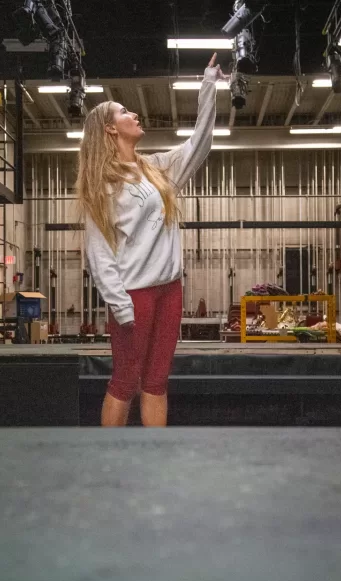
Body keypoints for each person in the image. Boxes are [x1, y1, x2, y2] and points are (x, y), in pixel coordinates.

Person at [77, 53, 228, 427]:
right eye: (125, 112)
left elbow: (201, 142)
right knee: (126, 380)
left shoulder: (157, 169)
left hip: (169, 289)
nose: (134, 115)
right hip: (134, 296)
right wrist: (120, 305)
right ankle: (110, 463)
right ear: (110, 129)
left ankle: (154, 460)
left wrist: (208, 85)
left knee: (157, 381)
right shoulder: (105, 184)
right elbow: (98, 253)